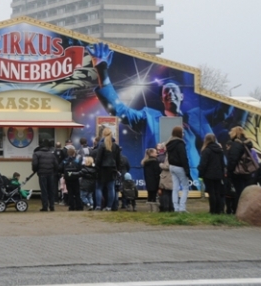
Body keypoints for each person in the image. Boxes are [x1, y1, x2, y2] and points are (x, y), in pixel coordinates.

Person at [88, 42, 232, 182]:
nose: (170, 93)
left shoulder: (196, 115)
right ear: (162, 98)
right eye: (166, 91)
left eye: (173, 89)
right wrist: (102, 71)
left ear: (181, 96)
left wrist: (229, 90)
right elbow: (119, 109)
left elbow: (223, 112)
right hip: (163, 178)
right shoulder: (149, 117)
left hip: (195, 181)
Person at [226, 126, 256, 209]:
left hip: (238, 172)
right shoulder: (248, 144)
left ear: (234, 133)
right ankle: (246, 210)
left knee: (239, 192)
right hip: (247, 171)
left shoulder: (236, 144)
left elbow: (233, 159)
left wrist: (229, 171)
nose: (229, 133)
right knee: (244, 192)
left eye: (231, 131)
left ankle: (238, 211)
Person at [198, 133, 225, 214]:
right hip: (218, 174)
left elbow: (203, 164)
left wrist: (200, 173)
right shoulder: (220, 150)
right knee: (217, 192)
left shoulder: (206, 150)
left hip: (208, 174)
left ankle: (212, 210)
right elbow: (222, 163)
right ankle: (218, 210)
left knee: (211, 193)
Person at [94, 128, 120, 211]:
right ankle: (109, 207)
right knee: (111, 188)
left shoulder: (101, 145)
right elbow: (118, 159)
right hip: (112, 169)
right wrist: (117, 169)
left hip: (102, 168)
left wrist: (96, 167)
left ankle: (98, 206)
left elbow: (98, 159)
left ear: (103, 134)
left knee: (99, 188)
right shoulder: (115, 146)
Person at [166, 126, 191, 213]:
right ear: (179, 133)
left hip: (172, 166)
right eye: (182, 132)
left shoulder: (169, 143)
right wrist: (187, 171)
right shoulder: (180, 144)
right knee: (185, 187)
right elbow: (184, 158)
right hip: (180, 167)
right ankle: (182, 208)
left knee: (175, 188)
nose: (183, 134)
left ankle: (176, 208)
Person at [32, 140, 59, 212]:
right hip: (51, 173)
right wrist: (54, 172)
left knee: (44, 190)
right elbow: (56, 165)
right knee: (51, 190)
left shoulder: (36, 154)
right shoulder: (52, 154)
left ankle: (45, 206)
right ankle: (52, 206)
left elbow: (35, 164)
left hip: (42, 173)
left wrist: (35, 170)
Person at [63, 147, 83, 211]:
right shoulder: (77, 161)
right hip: (75, 177)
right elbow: (80, 167)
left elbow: (60, 167)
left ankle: (71, 206)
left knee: (70, 193)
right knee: (77, 193)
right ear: (74, 153)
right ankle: (79, 206)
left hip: (68, 178)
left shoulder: (65, 161)